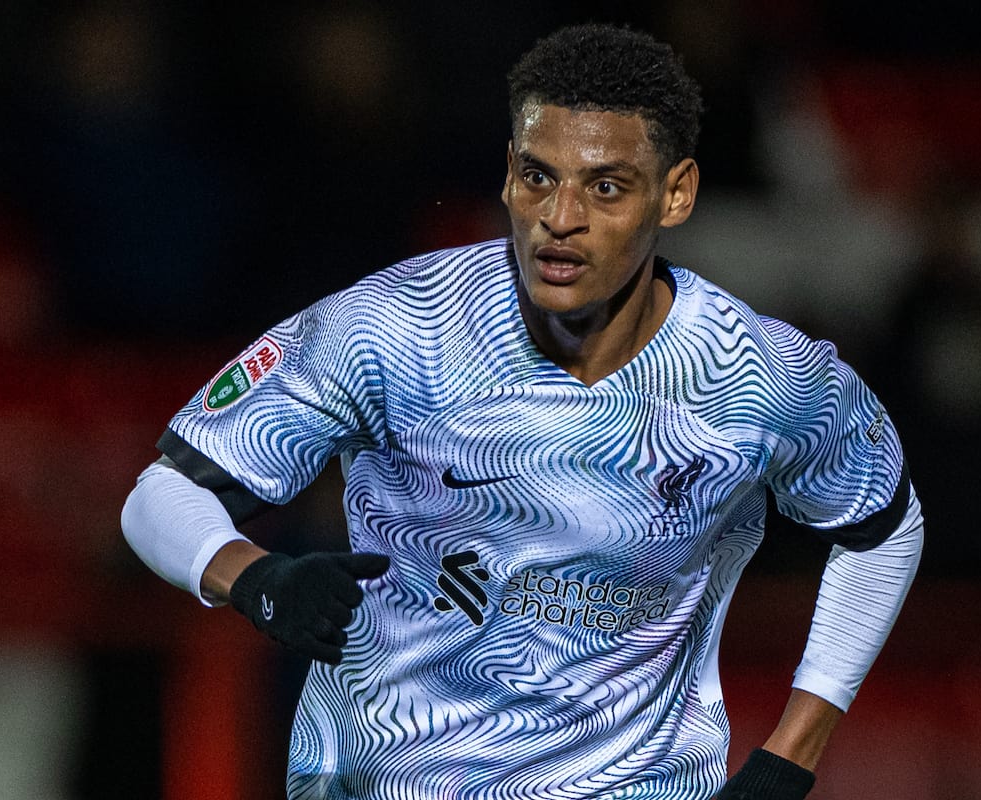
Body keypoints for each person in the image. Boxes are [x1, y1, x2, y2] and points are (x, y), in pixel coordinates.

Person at [121, 22, 923, 800]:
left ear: (675, 195)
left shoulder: (761, 377)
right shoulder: (391, 327)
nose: (560, 217)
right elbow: (160, 494)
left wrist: (793, 752)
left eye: (606, 187)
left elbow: (886, 529)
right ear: (508, 172)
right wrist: (255, 577)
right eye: (539, 176)